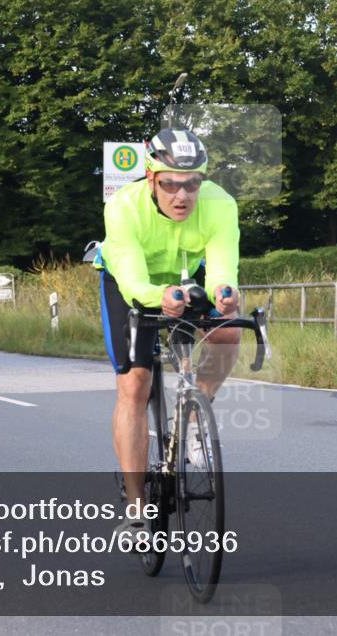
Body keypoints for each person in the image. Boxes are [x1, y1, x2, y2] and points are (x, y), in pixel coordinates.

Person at [97, 128, 241, 535]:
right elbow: (131, 280)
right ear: (150, 178)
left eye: (193, 183)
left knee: (230, 330)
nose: (183, 195)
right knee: (134, 385)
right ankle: (136, 507)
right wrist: (158, 296)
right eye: (171, 184)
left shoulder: (220, 205)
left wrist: (224, 293)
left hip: (186, 275)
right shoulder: (124, 206)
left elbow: (222, 268)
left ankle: (195, 417)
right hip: (131, 284)